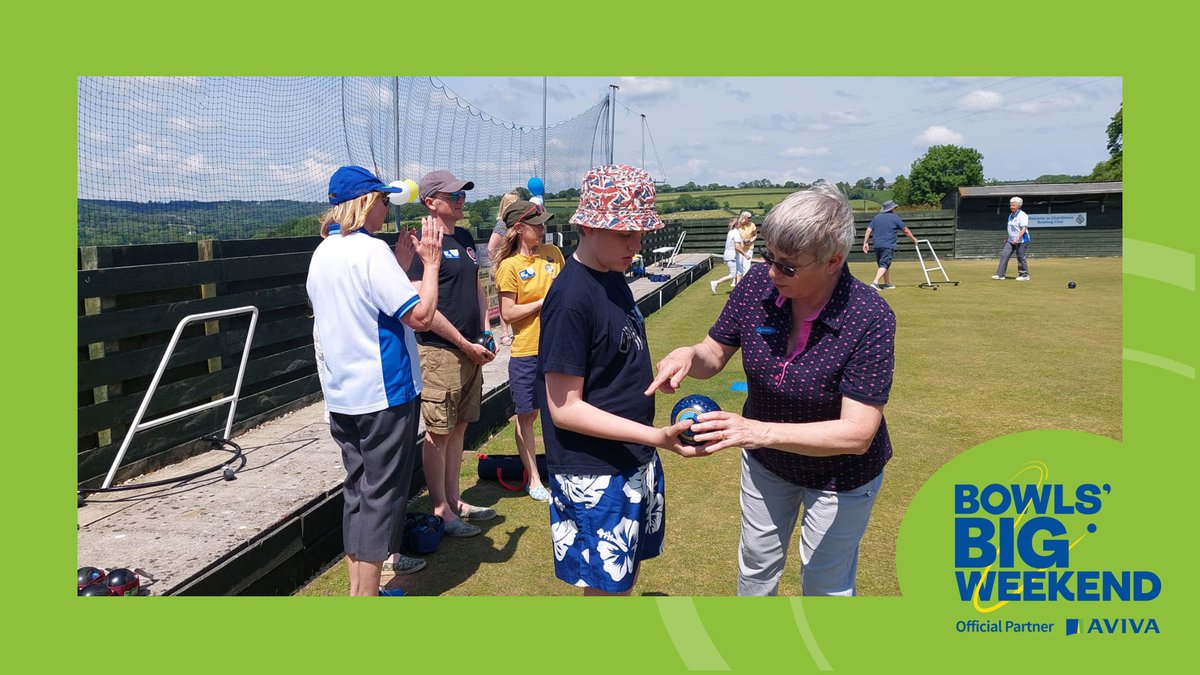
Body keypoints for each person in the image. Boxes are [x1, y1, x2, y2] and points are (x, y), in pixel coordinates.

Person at [647, 183, 896, 597]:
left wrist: (758, 431)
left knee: (825, 586)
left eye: (788, 266)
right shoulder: (756, 285)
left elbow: (857, 434)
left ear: (834, 260)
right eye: (769, 258)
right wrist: (690, 355)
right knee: (757, 571)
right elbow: (715, 352)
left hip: (840, 475)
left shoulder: (869, 316)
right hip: (768, 467)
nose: (773, 272)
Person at [539, 164, 716, 596]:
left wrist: (652, 373)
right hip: (595, 471)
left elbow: (612, 353)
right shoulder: (570, 298)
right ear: (587, 225)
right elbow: (565, 409)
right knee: (605, 589)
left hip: (631, 457)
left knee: (625, 575)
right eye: (625, 233)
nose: (636, 245)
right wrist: (657, 437)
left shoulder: (612, 276)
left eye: (640, 232)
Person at [306, 165, 444, 596]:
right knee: (382, 497)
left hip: (343, 395)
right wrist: (430, 265)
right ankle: (365, 597)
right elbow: (419, 315)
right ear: (366, 203)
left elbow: (364, 304)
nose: (386, 208)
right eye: (383, 200)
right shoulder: (369, 252)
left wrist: (399, 264)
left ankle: (357, 588)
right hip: (385, 395)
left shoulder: (323, 252)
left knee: (358, 491)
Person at [405, 170, 498, 538]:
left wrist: (487, 329)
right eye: (454, 195)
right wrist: (463, 342)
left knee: (459, 428)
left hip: (473, 349)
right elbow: (421, 307)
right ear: (431, 202)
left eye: (463, 194)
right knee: (438, 433)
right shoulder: (419, 245)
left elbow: (476, 285)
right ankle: (441, 509)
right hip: (441, 353)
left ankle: (456, 500)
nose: (462, 200)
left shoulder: (463, 236)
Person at [492, 199, 564, 502]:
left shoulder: (554, 254)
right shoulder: (508, 266)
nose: (543, 229)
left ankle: (563, 473)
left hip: (559, 348)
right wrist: (544, 301)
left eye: (544, 224)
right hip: (527, 352)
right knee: (527, 415)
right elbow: (507, 313)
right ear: (519, 229)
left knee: (561, 412)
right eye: (537, 225)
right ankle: (534, 479)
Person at [487, 190, 522, 345]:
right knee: (506, 300)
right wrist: (498, 263)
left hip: (518, 265)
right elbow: (490, 247)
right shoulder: (502, 225)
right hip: (506, 266)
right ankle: (504, 332)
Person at [862, 200, 918, 290]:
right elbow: (906, 230)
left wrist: (865, 243)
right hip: (887, 245)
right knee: (884, 264)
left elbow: (868, 230)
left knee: (883, 265)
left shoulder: (876, 218)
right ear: (892, 209)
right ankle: (875, 282)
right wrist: (914, 239)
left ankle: (887, 283)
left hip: (877, 245)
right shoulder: (895, 218)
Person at [993, 196, 1030, 281]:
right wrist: (1007, 237)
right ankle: (1000, 275)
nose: (1011, 207)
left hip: (1022, 240)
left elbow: (1023, 229)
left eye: (1013, 205)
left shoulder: (1023, 215)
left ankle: (1024, 275)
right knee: (1004, 255)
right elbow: (1011, 228)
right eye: (1011, 205)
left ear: (1018, 206)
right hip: (1010, 240)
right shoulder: (1010, 215)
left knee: (1020, 257)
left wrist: (1017, 238)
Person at [711, 215, 746, 294]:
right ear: (737, 224)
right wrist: (745, 254)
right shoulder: (736, 232)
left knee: (739, 272)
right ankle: (715, 282)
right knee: (733, 275)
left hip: (729, 256)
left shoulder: (731, 231)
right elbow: (737, 246)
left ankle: (738, 290)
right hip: (731, 256)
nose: (741, 224)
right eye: (739, 222)